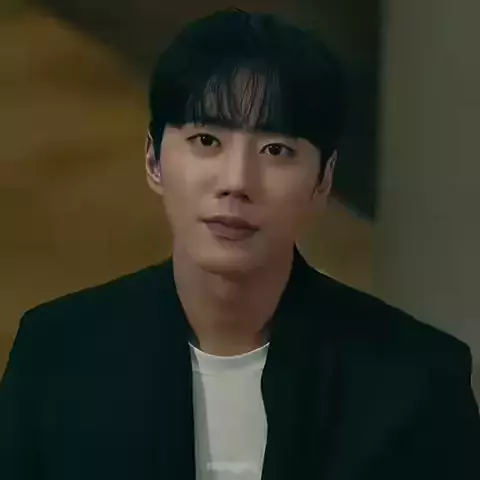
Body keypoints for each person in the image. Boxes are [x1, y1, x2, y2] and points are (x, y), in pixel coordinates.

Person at [1, 8, 479, 480]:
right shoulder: (56, 357)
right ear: (153, 160)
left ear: (323, 180)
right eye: (207, 141)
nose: (236, 181)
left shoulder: (418, 382)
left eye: (276, 150)